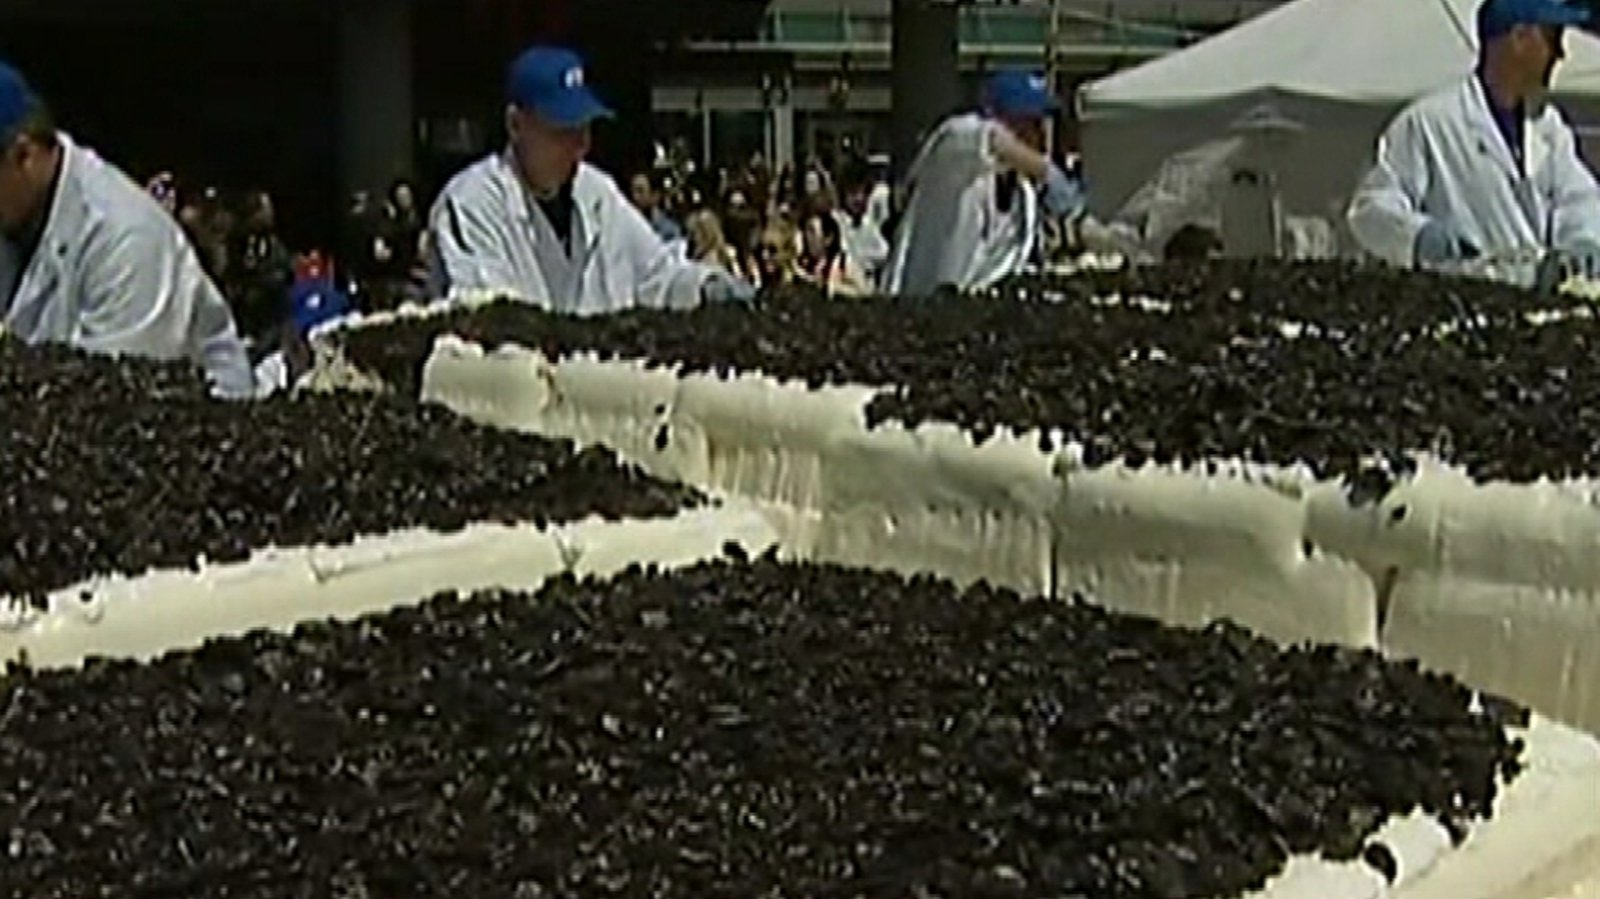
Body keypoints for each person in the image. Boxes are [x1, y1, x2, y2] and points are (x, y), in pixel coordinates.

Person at [428, 46, 753, 314]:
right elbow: (486, 314)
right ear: (515, 125)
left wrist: (704, 287)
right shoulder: (473, 202)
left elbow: (656, 275)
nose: (581, 146)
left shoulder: (597, 192)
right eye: (563, 131)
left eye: (584, 129)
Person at [0, 61, 252, 396]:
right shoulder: (17, 213)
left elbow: (112, 402)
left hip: (198, 420)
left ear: (24, 155)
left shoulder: (126, 238)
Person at [1347, 0, 1600, 278]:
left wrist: (1583, 238)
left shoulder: (1548, 126)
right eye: (1552, 39)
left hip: (1539, 296)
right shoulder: (1430, 123)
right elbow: (1371, 208)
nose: (1560, 54)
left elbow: (1578, 196)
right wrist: (1418, 236)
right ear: (1519, 38)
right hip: (1464, 295)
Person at [879, 70, 1084, 295]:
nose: (1040, 134)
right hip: (922, 299)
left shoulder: (1024, 195)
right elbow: (988, 138)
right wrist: (1047, 171)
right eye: (1029, 122)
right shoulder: (954, 157)